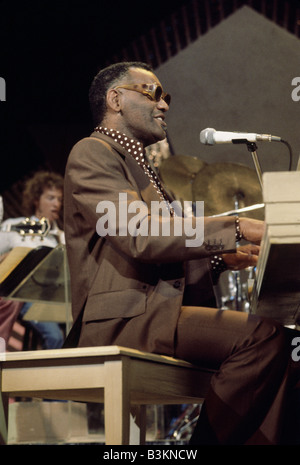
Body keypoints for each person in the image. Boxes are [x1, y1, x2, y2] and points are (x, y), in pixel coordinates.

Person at [63, 61, 299, 445]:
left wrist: (224, 258)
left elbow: (167, 248)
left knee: (291, 355)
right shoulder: (92, 153)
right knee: (262, 339)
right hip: (122, 319)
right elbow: (140, 235)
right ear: (115, 99)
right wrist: (236, 228)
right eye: (153, 93)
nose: (164, 105)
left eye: (166, 97)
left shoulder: (147, 174)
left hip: (154, 313)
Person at [0, 171, 65, 349]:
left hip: (53, 298)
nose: (56, 204)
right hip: (18, 298)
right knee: (55, 336)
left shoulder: (61, 237)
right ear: (37, 199)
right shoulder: (14, 226)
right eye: (51, 198)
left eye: (59, 199)